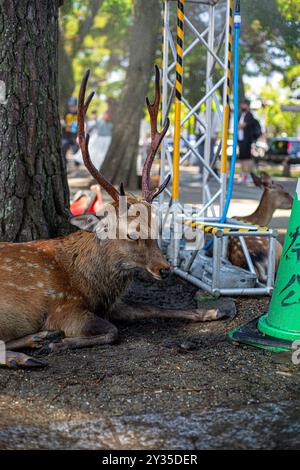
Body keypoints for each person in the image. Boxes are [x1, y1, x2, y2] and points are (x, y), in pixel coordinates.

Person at [237, 98, 257, 184]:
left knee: (247, 158)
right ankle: (243, 173)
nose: (242, 106)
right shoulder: (242, 115)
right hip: (241, 139)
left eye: (243, 104)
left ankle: (249, 175)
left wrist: (239, 125)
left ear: (247, 105)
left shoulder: (249, 115)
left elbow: (242, 126)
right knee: (242, 157)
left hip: (247, 140)